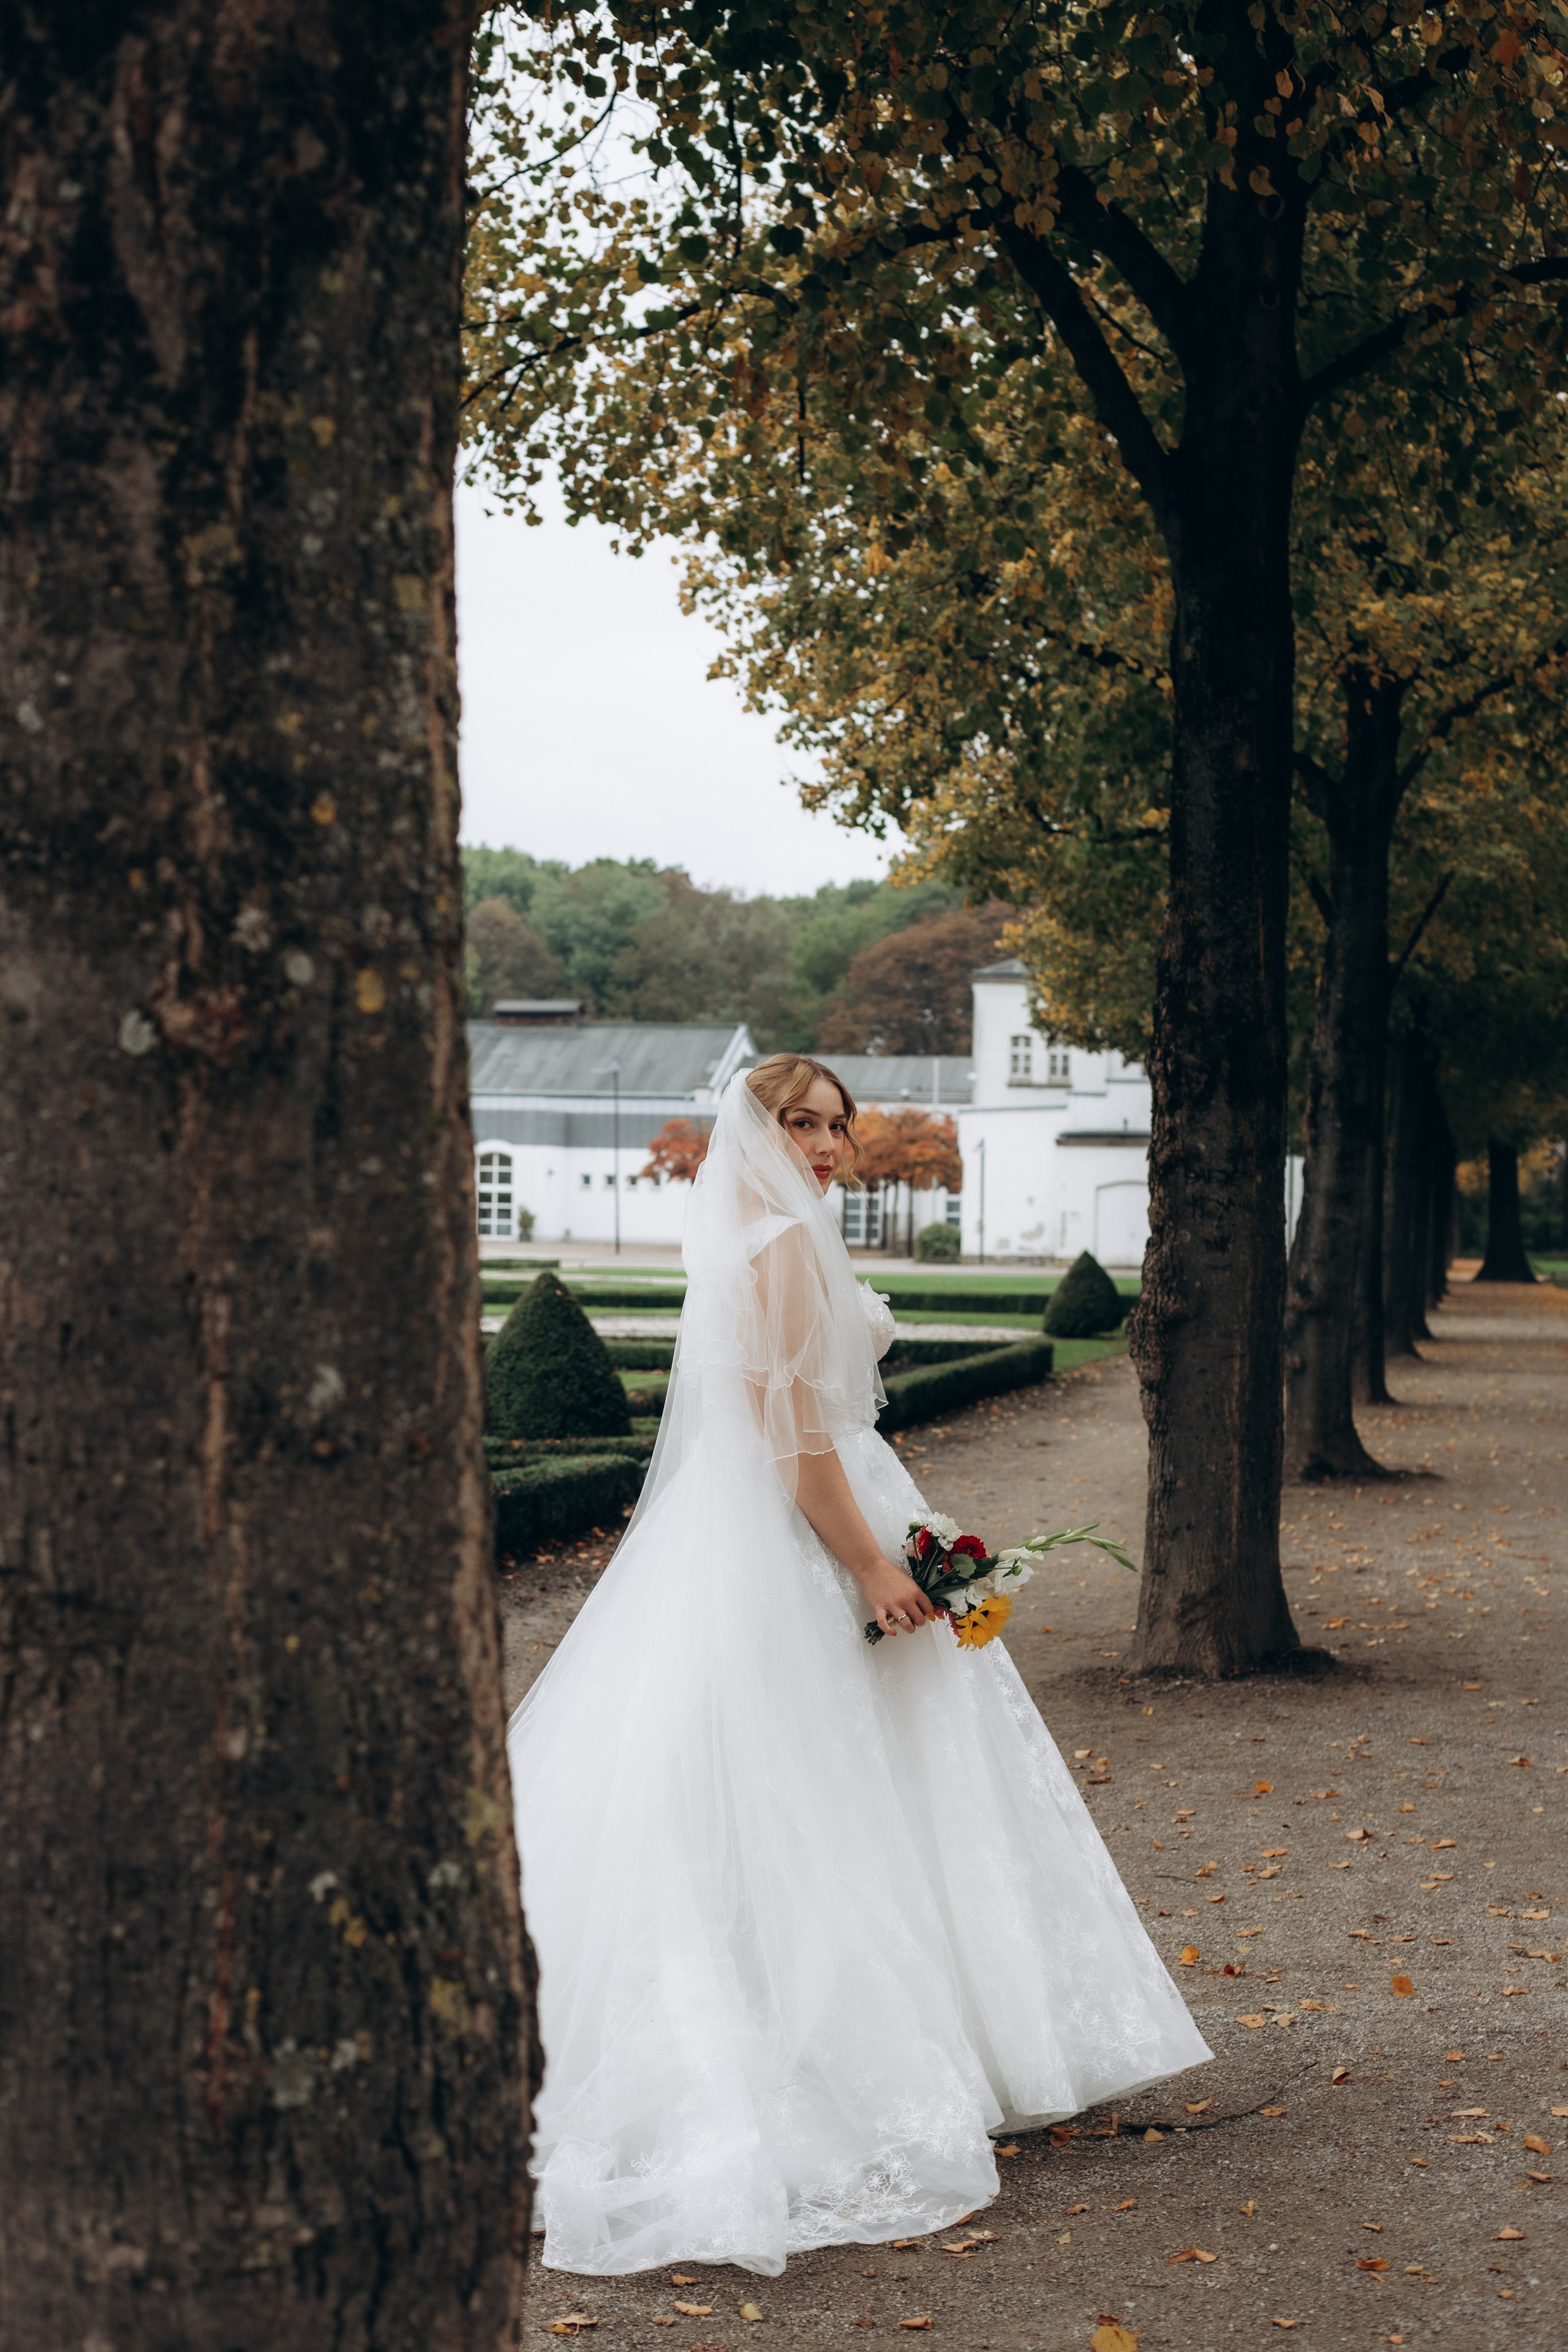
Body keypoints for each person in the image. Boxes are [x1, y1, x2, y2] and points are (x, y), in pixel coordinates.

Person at [506, 1055, 1210, 2278]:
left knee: (848, 1780)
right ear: (758, 1131)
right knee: (799, 1788)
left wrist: (909, 1540)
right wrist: (876, 1568)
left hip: (831, 1511)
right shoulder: (774, 1242)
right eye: (801, 1122)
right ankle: (815, 2053)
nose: (826, 1144)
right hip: (796, 1534)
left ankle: (947, 2036)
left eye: (836, 1125)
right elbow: (788, 1436)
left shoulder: (769, 1234)